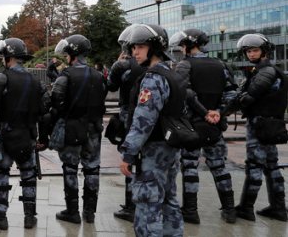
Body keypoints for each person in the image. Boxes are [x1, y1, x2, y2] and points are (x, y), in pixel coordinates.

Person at [118, 23, 184, 237]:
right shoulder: (172, 74)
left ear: (154, 48)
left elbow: (143, 121)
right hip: (169, 150)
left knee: (147, 205)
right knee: (169, 200)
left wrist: (128, 153)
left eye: (139, 47)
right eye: (134, 48)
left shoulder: (153, 78)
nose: (133, 52)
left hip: (153, 152)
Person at [0, 38, 49, 230]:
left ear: (9, 57)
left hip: (5, 135)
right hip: (27, 136)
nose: (2, 61)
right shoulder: (36, 81)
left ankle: (0, 217)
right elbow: (43, 114)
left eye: (3, 57)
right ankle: (30, 217)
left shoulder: (3, 78)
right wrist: (43, 138)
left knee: (2, 175)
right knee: (29, 176)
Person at [170, 29, 238, 224]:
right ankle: (230, 210)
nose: (182, 50)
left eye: (183, 45)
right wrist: (218, 113)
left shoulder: (185, 65)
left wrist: (204, 113)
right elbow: (233, 95)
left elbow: (185, 93)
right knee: (219, 166)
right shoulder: (222, 64)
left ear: (190, 45)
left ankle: (191, 211)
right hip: (214, 127)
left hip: (192, 126)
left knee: (190, 166)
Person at [51, 35, 108, 224]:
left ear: (73, 54)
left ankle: (72, 211)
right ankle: (90, 213)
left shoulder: (65, 75)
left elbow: (56, 101)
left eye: (67, 53)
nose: (66, 57)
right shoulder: (99, 75)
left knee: (70, 168)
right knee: (92, 169)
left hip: (72, 128)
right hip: (93, 128)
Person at [233, 33, 287, 222]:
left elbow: (247, 100)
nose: (251, 54)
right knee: (272, 165)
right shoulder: (272, 71)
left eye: (255, 50)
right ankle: (278, 208)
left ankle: (246, 208)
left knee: (255, 165)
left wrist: (239, 97)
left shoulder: (265, 72)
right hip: (273, 124)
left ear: (264, 51)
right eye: (248, 51)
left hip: (260, 124)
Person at [106, 30, 148, 223]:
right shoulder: (154, 66)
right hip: (149, 117)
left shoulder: (124, 65)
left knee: (129, 159)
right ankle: (142, 202)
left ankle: (131, 205)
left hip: (129, 116)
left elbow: (111, 86)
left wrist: (117, 63)